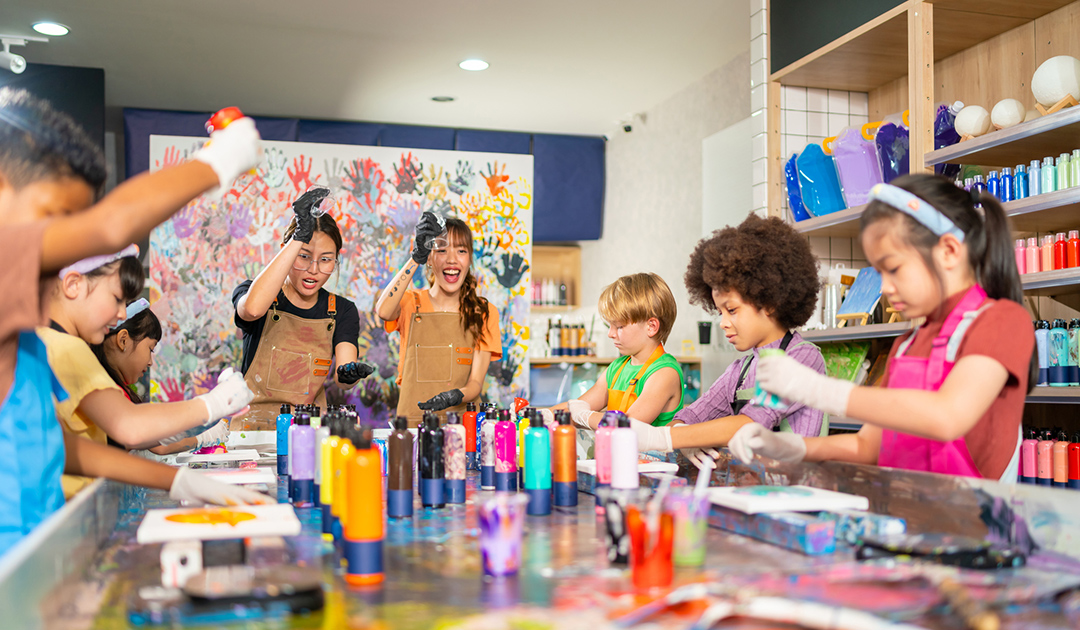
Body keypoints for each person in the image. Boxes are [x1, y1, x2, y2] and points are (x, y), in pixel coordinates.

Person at [0, 87, 269, 556]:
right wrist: (215, 163)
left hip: (42, 560)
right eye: (56, 218)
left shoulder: (26, 344)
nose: (72, 243)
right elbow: (110, 227)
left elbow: (61, 448)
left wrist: (179, 480)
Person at [731, 175, 1035, 482]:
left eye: (894, 269)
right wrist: (787, 446)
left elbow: (947, 417)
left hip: (976, 525)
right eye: (879, 273)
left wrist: (819, 390)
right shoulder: (907, 344)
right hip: (908, 519)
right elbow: (866, 445)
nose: (885, 287)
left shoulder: (1001, 321)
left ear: (949, 251)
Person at [622, 216, 827, 463]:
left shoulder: (803, 358)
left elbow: (751, 421)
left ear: (769, 302)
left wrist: (665, 439)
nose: (723, 322)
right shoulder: (740, 371)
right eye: (720, 312)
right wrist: (680, 431)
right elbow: (691, 415)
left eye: (732, 310)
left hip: (794, 495)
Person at [232, 188, 373, 430]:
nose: (314, 269)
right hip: (252, 433)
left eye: (326, 260)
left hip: (309, 432)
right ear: (287, 251)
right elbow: (253, 309)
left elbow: (342, 377)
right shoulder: (257, 293)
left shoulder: (342, 310)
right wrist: (298, 239)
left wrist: (350, 374)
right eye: (304, 256)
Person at [376, 212, 501, 425]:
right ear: (430, 260)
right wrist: (416, 256)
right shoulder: (410, 302)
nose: (452, 259)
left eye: (461, 251)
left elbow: (475, 384)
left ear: (469, 259)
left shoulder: (484, 311)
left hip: (464, 427)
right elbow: (384, 311)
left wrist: (454, 396)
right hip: (415, 425)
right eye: (441, 250)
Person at [543, 273, 684, 432]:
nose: (610, 333)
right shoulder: (617, 368)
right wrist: (540, 416)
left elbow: (627, 425)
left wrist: (585, 416)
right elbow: (577, 406)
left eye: (619, 326)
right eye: (609, 326)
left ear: (651, 327)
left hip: (653, 457)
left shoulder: (665, 373)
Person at [90, 299, 227, 456]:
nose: (150, 362)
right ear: (123, 340)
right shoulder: (105, 391)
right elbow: (154, 441)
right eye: (151, 349)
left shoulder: (113, 388)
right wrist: (202, 435)